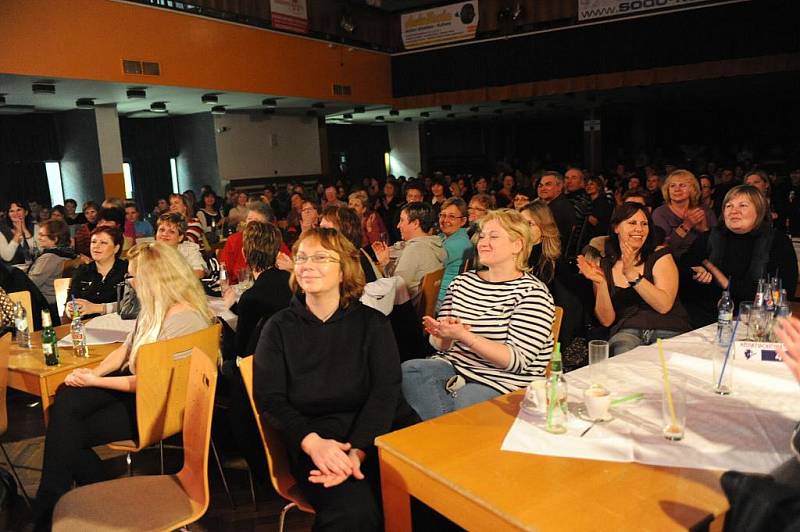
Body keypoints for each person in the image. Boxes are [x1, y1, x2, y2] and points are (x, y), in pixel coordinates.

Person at [33, 242, 214, 527]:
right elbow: (125, 351)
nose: (128, 282)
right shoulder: (158, 308)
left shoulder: (185, 320)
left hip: (156, 406)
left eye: (132, 276)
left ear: (154, 278)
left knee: (65, 430)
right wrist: (95, 374)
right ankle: (67, 500)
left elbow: (149, 384)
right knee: (67, 398)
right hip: (142, 389)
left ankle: (51, 505)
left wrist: (95, 381)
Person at [254, 227, 416, 530]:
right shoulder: (277, 328)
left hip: (382, 432)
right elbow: (270, 399)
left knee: (434, 499)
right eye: (301, 257)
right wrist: (313, 444)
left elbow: (385, 394)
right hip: (316, 438)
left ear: (343, 271)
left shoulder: (373, 323)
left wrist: (357, 451)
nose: (307, 265)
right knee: (353, 513)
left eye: (320, 258)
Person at [401, 209, 555, 421]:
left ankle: (438, 438)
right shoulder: (463, 282)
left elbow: (515, 360)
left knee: (467, 397)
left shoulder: (532, 293)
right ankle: (445, 436)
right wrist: (443, 335)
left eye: (494, 236)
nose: (483, 242)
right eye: (482, 236)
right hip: (455, 369)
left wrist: (465, 336)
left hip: (504, 382)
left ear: (517, 245)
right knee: (410, 370)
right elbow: (439, 345)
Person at [577, 202, 691, 356]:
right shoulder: (604, 265)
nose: (639, 229)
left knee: (666, 362)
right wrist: (601, 283)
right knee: (621, 356)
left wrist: (632, 275)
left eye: (644, 224)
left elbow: (664, 306)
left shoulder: (659, 255)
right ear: (616, 227)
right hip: (628, 332)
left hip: (668, 328)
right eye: (632, 223)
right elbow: (606, 321)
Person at [679, 185, 798, 327]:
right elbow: (683, 272)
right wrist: (696, 273)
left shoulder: (777, 242)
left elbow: (782, 293)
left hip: (759, 321)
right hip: (704, 319)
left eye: (743, 205)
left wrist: (728, 285)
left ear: (759, 211)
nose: (734, 211)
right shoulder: (709, 237)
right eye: (729, 206)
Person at [223, 221, 291, 358]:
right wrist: (234, 307)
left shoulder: (251, 297)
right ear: (278, 253)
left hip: (259, 368)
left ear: (244, 254)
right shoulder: (292, 282)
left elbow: (240, 350)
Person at [372, 202, 445, 302]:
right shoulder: (434, 244)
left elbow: (396, 289)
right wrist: (385, 262)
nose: (398, 226)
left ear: (415, 223)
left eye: (402, 220)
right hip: (421, 307)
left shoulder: (415, 249)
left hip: (408, 312)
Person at [652, 169, 717, 259]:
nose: (677, 189)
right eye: (672, 186)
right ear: (667, 190)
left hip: (703, 263)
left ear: (693, 189)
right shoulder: (659, 213)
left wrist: (704, 230)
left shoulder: (706, 211)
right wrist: (686, 225)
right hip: (672, 263)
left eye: (682, 185)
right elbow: (663, 250)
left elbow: (716, 247)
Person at [68, 226, 127, 318]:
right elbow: (71, 299)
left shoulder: (128, 270)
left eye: (103, 243)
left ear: (116, 248)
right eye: (93, 242)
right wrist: (70, 309)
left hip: (120, 323)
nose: (96, 246)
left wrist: (96, 308)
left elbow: (134, 304)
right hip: (86, 325)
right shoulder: (82, 270)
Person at [319, 206, 381, 283]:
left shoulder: (355, 261)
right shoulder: (333, 256)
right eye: (320, 229)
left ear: (343, 231)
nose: (319, 235)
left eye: (325, 230)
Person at [28, 220, 77, 313]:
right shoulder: (69, 253)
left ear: (55, 239)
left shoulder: (49, 257)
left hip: (44, 306)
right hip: (56, 303)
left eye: (42, 235)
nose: (38, 238)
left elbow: (30, 284)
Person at [436, 197, 471, 305]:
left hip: (441, 300)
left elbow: (427, 262)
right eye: (442, 215)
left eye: (451, 216)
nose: (445, 220)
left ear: (463, 221)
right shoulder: (442, 236)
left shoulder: (460, 243)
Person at [155, 212, 206, 278]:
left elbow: (199, 272)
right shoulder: (148, 251)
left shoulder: (189, 249)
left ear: (180, 237)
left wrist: (174, 279)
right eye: (162, 230)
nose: (164, 234)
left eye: (171, 232)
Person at [536, 171, 576, 249]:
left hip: (551, 251)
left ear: (559, 187)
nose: (543, 188)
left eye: (548, 184)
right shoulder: (551, 205)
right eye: (540, 185)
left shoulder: (560, 207)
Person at [0, 200, 37, 265]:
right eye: (11, 211)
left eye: (19, 210)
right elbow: (7, 257)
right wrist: (18, 233)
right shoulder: (2, 232)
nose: (16, 214)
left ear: (26, 212)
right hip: (12, 272)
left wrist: (24, 229)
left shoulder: (35, 227)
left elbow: (36, 252)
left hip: (34, 270)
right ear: (8, 214)